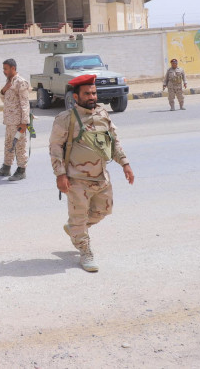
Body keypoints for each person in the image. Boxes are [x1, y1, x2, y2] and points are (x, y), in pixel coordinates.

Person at [49, 74, 134, 273]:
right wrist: (60, 174)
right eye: (87, 93)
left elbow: (113, 141)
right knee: (79, 217)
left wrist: (125, 164)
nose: (92, 97)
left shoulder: (103, 114)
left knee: (104, 210)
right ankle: (85, 251)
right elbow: (55, 148)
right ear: (76, 97)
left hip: (101, 176)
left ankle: (75, 229)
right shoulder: (65, 119)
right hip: (76, 179)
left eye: (94, 93)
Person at [0, 58, 31, 181]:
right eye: (3, 69)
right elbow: (4, 100)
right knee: (8, 144)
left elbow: (25, 104)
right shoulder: (9, 82)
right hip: (9, 121)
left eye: (5, 69)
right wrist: (3, 90)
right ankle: (6, 167)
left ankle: (21, 170)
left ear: (13, 68)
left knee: (20, 146)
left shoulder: (21, 82)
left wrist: (24, 123)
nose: (4, 71)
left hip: (18, 122)